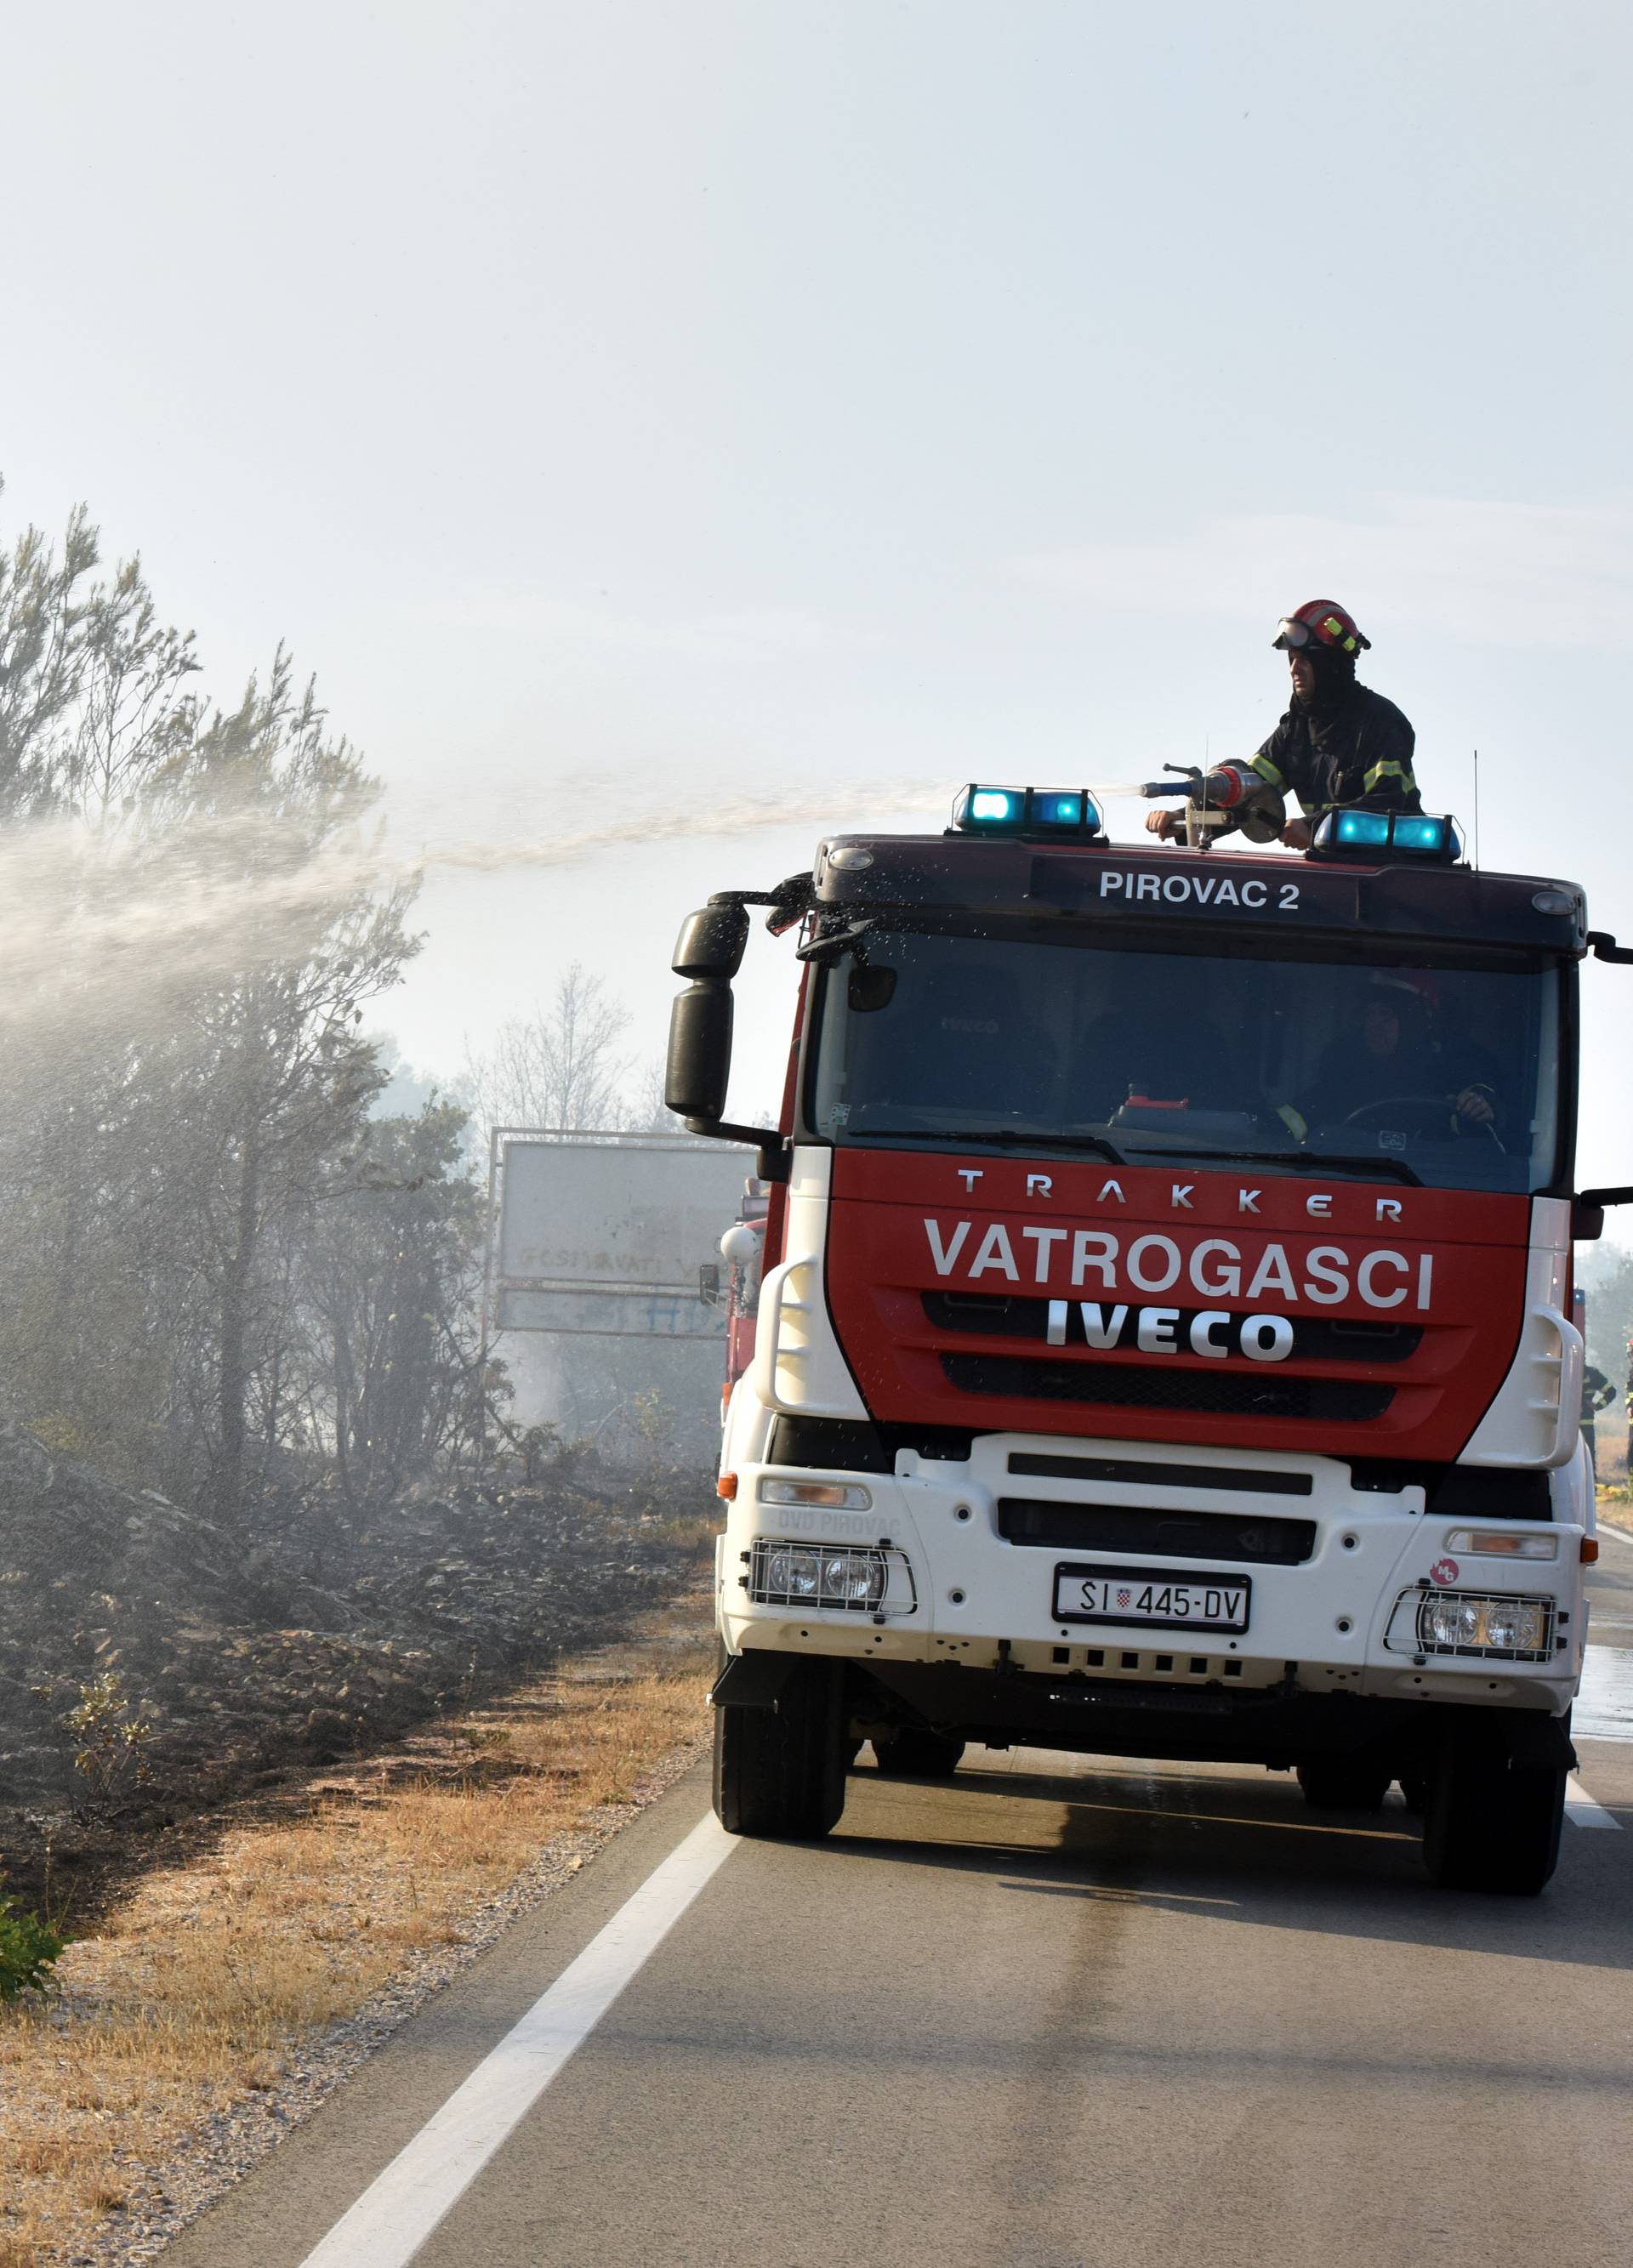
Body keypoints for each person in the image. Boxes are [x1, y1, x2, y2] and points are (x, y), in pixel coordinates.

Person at [1147, 600, 1420, 850]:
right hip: (1332, 875)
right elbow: (1248, 792)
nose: (1294, 669)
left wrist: (1314, 826)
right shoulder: (1296, 730)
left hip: (1393, 877)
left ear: (1331, 665)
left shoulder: (1381, 721)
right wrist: (1186, 819)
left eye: (1305, 659)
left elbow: (1387, 802)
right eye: (1292, 659)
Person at [1303, 972, 1497, 1134]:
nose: (1373, 1025)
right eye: (1370, 1014)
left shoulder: (1453, 1074)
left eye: (1386, 1014)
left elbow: (1487, 1126)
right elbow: (1297, 1121)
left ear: (1414, 1022)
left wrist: (1479, 1107)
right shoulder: (1343, 1074)